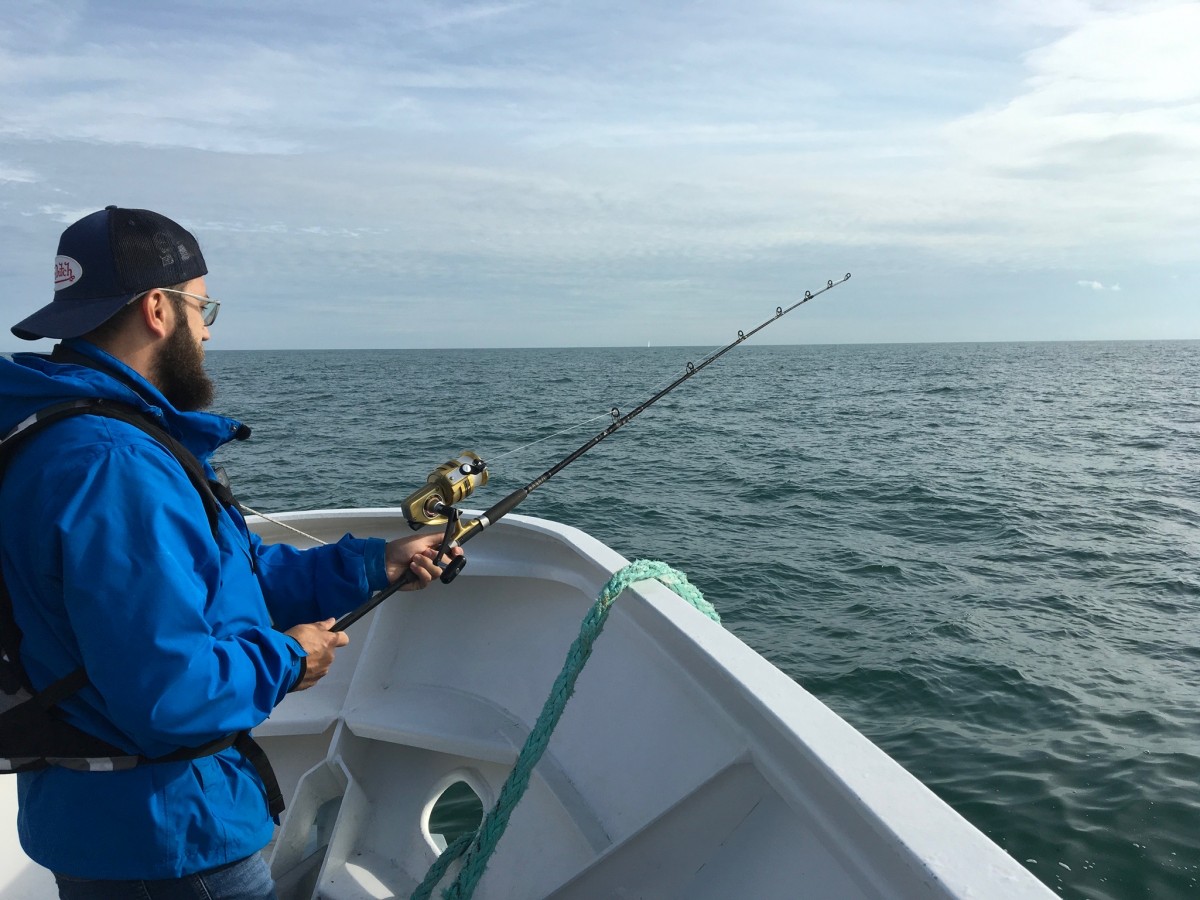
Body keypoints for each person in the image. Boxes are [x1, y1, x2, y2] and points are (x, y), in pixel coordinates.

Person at [0, 206, 459, 899]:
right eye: (201, 305)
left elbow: (224, 583)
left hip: (97, 821)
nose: (208, 328)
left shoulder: (61, 436)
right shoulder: (115, 462)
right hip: (170, 842)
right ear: (158, 309)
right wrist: (289, 657)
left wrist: (374, 564)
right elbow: (170, 691)